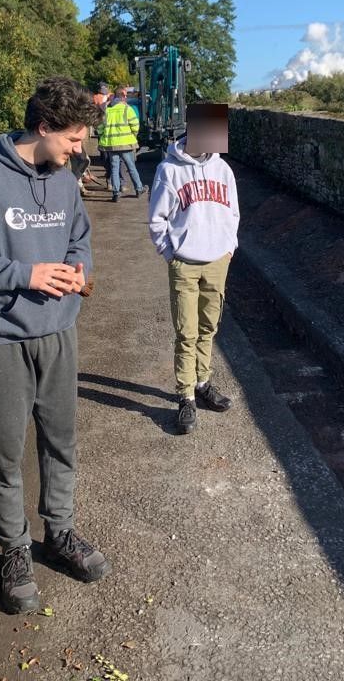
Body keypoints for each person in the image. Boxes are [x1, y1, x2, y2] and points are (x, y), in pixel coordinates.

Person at [0, 77, 110, 615]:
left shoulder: (63, 180)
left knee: (61, 441)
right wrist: (25, 274)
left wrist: (80, 267)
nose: (80, 151)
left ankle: (59, 534)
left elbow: (79, 234)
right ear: (43, 128)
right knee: (7, 452)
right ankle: (14, 549)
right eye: (74, 139)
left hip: (58, 333)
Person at [148, 106, 240, 435]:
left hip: (217, 262)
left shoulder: (223, 170)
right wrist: (171, 253)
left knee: (208, 328)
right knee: (186, 333)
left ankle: (203, 383)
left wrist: (230, 248)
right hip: (185, 263)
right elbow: (157, 218)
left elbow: (233, 213)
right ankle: (185, 395)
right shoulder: (169, 171)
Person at [97, 86, 147, 202]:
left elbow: (100, 127)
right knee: (131, 167)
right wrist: (133, 136)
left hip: (111, 144)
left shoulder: (107, 110)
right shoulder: (127, 109)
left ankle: (116, 193)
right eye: (126, 95)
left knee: (114, 168)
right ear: (123, 96)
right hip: (125, 144)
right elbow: (135, 125)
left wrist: (103, 135)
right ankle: (139, 189)